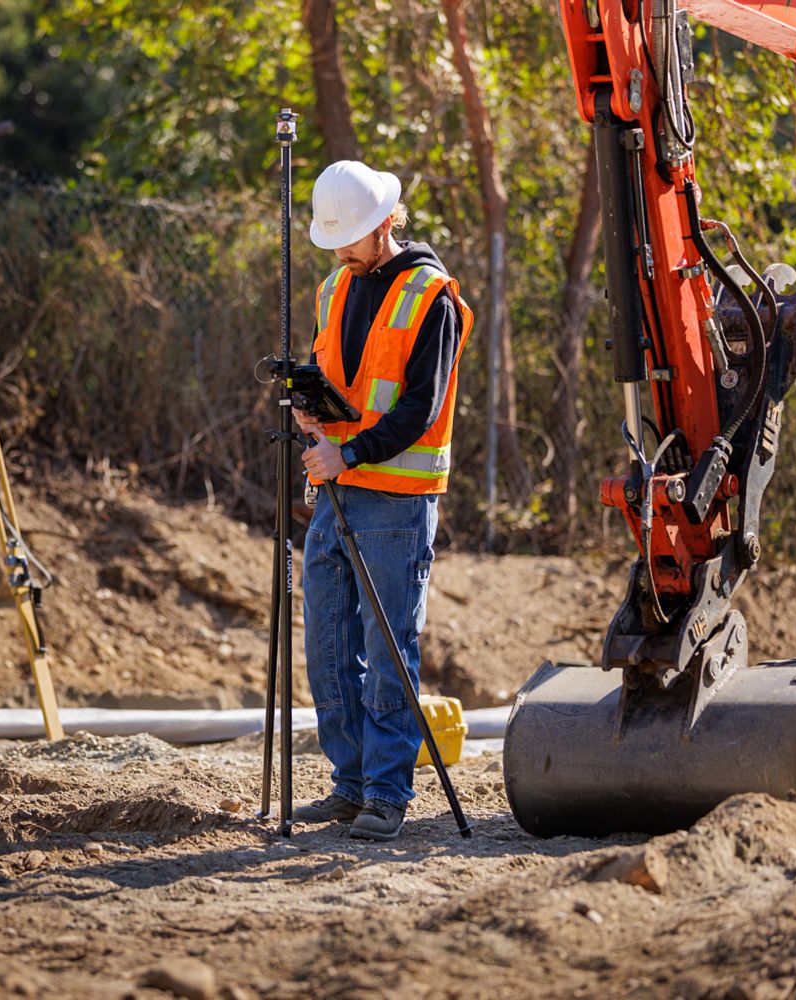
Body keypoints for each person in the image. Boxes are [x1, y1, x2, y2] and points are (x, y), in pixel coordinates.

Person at [292, 159, 473, 841]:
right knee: (329, 647)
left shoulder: (432, 297)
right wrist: (310, 408)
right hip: (334, 490)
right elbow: (342, 379)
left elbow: (420, 410)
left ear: (386, 224)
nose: (339, 251)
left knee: (389, 650)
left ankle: (386, 794)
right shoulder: (334, 286)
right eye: (333, 240)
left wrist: (349, 452)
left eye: (350, 239)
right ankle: (349, 785)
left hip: (395, 499)